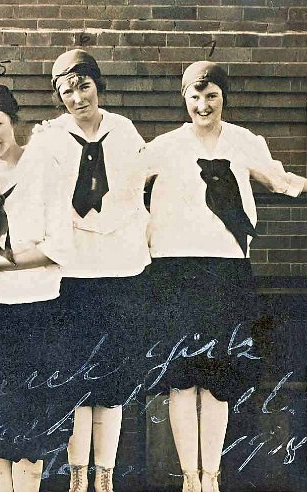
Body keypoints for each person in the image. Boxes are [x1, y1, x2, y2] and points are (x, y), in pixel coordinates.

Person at [142, 61, 307, 492]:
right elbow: (119, 188)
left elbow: (279, 180)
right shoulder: (164, 146)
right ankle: (188, 477)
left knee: (217, 377)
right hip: (174, 270)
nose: (203, 104)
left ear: (223, 97)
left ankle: (210, 477)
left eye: (211, 95)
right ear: (184, 98)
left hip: (225, 269)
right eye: (195, 96)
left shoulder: (244, 141)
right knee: (181, 377)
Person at [0, 83, 78, 492]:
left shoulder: (44, 166)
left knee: (30, 420)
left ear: (14, 122)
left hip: (36, 309)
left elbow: (60, 246)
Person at [30, 49, 150, 492]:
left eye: (85, 86)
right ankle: (78, 476)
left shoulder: (124, 131)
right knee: (77, 379)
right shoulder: (48, 139)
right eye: (68, 90)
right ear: (58, 96)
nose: (78, 98)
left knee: (112, 381)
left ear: (98, 86)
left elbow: (138, 192)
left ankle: (106, 478)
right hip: (72, 272)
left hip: (119, 270)